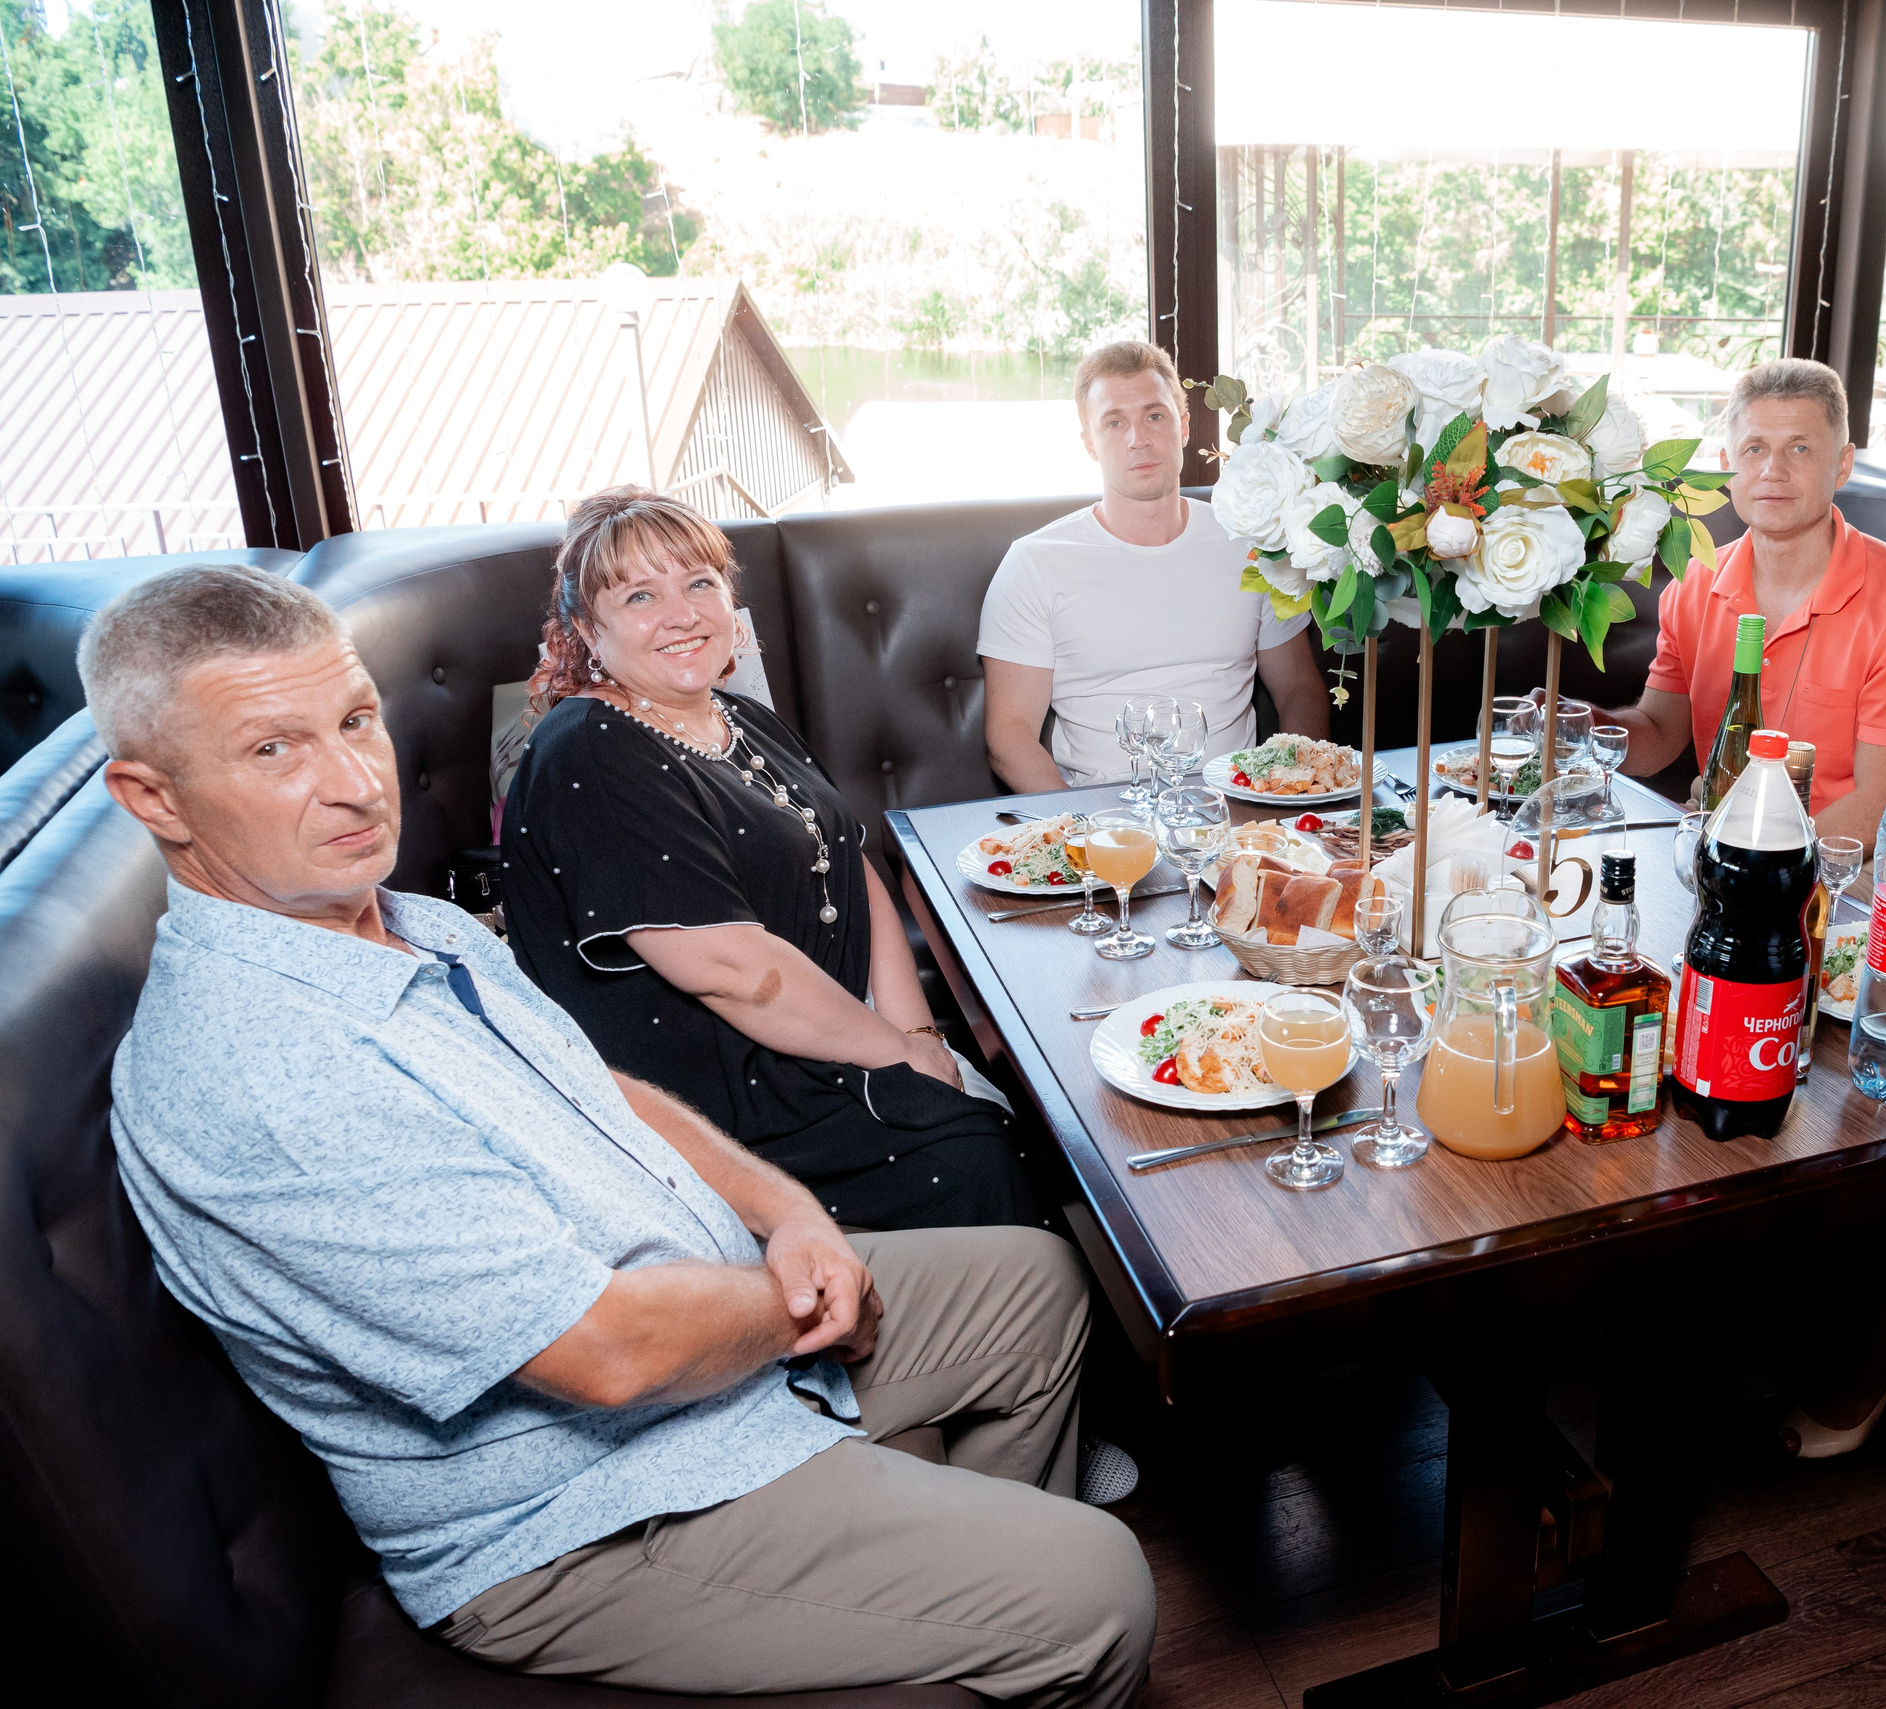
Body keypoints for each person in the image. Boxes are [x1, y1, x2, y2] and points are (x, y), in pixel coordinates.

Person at [85, 565, 1155, 1702]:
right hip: (588, 1513)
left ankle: (964, 1610)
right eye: (273, 750)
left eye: (354, 720)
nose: (356, 783)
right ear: (153, 797)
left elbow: (598, 1084)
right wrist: (799, 1285)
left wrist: (786, 1211)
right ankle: (1018, 1610)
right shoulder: (261, 1072)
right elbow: (607, 1354)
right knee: (1100, 1582)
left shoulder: (409, 921)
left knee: (1036, 1281)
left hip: (711, 1335)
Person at [506, 487, 1044, 1233]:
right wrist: (894, 1055)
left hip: (829, 1051)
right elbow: (730, 971)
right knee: (986, 1158)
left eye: (700, 583)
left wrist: (920, 1040)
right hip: (727, 1108)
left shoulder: (740, 717)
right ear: (587, 632)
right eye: (639, 595)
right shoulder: (592, 751)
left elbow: (855, 864)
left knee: (1041, 1118)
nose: (682, 612)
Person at [1595, 357, 1886, 848]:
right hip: (1721, 852)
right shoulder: (1693, 580)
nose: (1773, 470)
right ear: (1728, 465)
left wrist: (1743, 852)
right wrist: (1587, 726)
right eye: (1754, 449)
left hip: (1844, 871)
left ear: (1843, 465)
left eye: (1801, 449)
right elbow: (1660, 731)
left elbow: (1884, 803)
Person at [980, 340, 1329, 792]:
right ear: (1089, 443)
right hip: (1101, 820)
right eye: (1113, 422)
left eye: (1154, 415)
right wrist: (1080, 834)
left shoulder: (1248, 544)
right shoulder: (1034, 563)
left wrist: (1285, 793)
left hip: (1237, 808)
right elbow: (1008, 736)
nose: (1137, 438)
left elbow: (1299, 687)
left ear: (1184, 426)